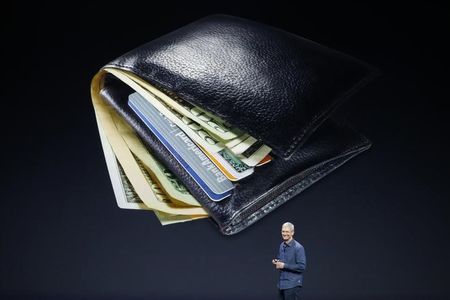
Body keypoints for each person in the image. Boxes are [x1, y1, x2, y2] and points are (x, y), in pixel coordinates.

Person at [272, 222, 306, 300]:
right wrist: (277, 261)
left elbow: (302, 267)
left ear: (292, 232)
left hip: (292, 284)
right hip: (282, 284)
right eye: (283, 231)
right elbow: (283, 260)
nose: (284, 233)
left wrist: (284, 265)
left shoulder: (298, 248)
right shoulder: (281, 245)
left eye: (287, 231)